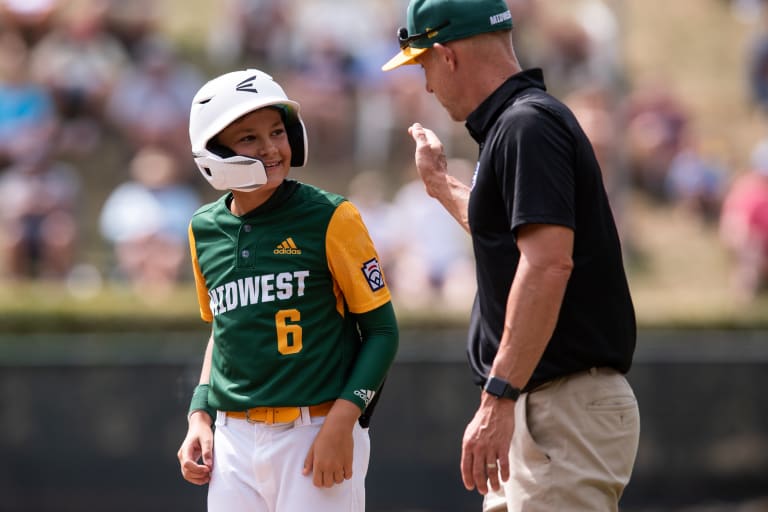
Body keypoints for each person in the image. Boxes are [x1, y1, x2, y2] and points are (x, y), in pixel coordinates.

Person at [382, 1, 640, 511]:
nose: (426, 85)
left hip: (559, 408)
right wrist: (441, 186)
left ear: (447, 55)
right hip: (539, 403)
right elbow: (508, 238)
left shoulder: (527, 126)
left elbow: (547, 263)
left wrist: (498, 394)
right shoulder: (517, 124)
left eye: (424, 65)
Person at [176, 69, 398, 512]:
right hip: (232, 438)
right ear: (213, 151)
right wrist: (199, 413)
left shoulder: (330, 216)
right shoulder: (204, 228)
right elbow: (222, 332)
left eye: (277, 131)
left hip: (314, 429)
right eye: (249, 138)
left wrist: (343, 422)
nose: (271, 148)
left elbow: (382, 332)